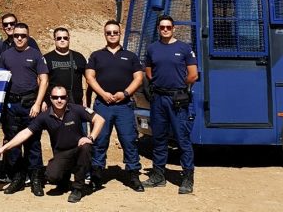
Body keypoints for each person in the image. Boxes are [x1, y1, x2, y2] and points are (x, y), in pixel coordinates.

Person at [0, 85, 104, 204]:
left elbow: (99, 119)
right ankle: (64, 180)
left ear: (67, 98)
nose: (59, 100)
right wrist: (4, 148)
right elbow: (26, 133)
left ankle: (78, 188)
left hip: (79, 150)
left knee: (86, 147)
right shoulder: (45, 116)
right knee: (51, 176)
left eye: (62, 97)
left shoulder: (76, 109)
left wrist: (90, 137)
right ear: (50, 98)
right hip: (61, 154)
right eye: (55, 97)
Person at [85, 20, 144, 192]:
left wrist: (124, 94)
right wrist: (103, 94)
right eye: (109, 32)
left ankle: (133, 174)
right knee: (100, 141)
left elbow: (138, 78)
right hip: (102, 105)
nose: (112, 35)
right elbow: (89, 77)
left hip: (124, 106)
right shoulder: (96, 55)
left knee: (129, 140)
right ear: (105, 34)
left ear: (120, 34)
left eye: (115, 32)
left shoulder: (131, 56)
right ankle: (96, 176)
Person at [143, 14, 199, 194]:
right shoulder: (152, 49)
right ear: (158, 29)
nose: (165, 30)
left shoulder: (184, 48)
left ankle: (187, 178)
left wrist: (178, 87)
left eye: (168, 27)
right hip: (158, 99)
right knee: (158, 138)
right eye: (162, 27)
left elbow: (193, 75)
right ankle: (158, 175)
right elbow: (149, 72)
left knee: (182, 139)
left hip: (177, 100)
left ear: (173, 28)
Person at [0, 22, 49, 196]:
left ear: (28, 36)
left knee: (33, 143)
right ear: (12, 36)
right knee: (12, 143)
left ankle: (35, 179)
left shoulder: (35, 55)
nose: (19, 38)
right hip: (11, 106)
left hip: (30, 106)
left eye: (23, 35)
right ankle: (17, 178)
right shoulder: (5, 55)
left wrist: (38, 102)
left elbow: (44, 80)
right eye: (16, 35)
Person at [43, 26, 87, 106]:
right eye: (59, 38)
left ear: (69, 39)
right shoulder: (47, 58)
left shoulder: (78, 57)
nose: (62, 40)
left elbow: (87, 78)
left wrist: (85, 98)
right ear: (54, 40)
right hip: (53, 102)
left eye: (65, 38)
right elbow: (42, 81)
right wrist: (44, 100)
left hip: (75, 102)